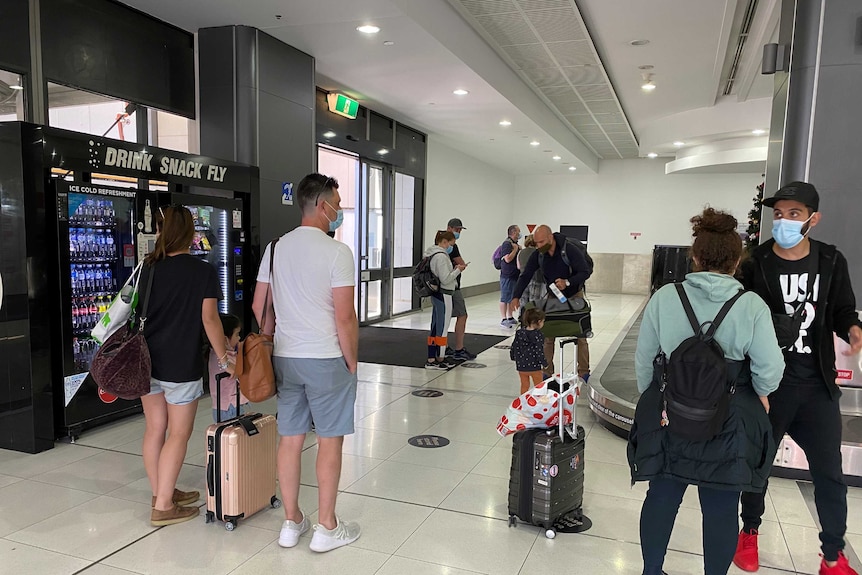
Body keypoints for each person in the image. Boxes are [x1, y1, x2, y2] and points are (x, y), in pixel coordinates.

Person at [629, 207, 784, 575]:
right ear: (736, 261)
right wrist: (760, 391)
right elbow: (771, 370)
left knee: (661, 498)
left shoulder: (667, 297)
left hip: (672, 418)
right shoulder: (750, 305)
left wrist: (661, 402)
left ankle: (652, 571)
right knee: (721, 507)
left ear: (695, 257)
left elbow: (644, 359)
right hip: (728, 424)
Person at [734, 182, 862, 575]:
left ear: (812, 219)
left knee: (829, 474)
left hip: (817, 385)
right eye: (779, 214)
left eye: (794, 214)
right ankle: (749, 533)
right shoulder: (757, 263)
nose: (785, 221)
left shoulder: (830, 260)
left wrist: (852, 328)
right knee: (759, 465)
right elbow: (741, 319)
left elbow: (843, 308)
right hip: (771, 386)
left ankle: (833, 555)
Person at [252, 173, 361, 553]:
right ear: (320, 205)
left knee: (291, 438)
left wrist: (276, 334)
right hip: (327, 357)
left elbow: (258, 306)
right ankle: (327, 527)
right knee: (330, 441)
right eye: (337, 202)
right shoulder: (337, 252)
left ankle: (291, 522)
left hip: (286, 357)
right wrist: (352, 362)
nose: (339, 210)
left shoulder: (276, 248)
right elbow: (344, 317)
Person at [140, 205, 232, 527]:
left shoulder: (147, 268)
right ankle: (163, 506)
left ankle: (161, 491)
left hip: (146, 362)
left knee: (155, 429)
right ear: (190, 233)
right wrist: (225, 358)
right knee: (179, 433)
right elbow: (210, 320)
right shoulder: (202, 272)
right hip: (180, 363)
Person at [510, 225, 591, 377]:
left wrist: (567, 282)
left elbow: (584, 272)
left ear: (550, 238)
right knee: (548, 334)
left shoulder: (569, 250)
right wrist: (516, 296)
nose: (539, 246)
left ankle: (584, 372)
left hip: (575, 294)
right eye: (537, 243)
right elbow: (526, 275)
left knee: (581, 334)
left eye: (541, 242)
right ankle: (546, 371)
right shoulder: (539, 254)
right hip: (553, 295)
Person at [424, 230, 466, 369]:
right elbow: (446, 278)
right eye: (451, 244)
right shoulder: (441, 257)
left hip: (437, 294)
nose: (452, 247)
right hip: (444, 294)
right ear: (444, 242)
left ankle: (432, 357)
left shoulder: (431, 253)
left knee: (435, 326)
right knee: (442, 328)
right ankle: (440, 358)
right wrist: (458, 270)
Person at [444, 218, 476, 360]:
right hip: (451, 286)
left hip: (443, 287)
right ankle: (459, 349)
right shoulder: (452, 246)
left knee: (443, 318)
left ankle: (442, 347)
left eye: (460, 230)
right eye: (457, 230)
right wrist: (460, 268)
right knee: (462, 315)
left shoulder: (439, 245)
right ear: (449, 228)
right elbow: (461, 264)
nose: (458, 233)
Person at [207, 313, 248, 423]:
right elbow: (240, 371)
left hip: (225, 406)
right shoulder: (224, 359)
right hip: (230, 407)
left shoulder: (215, 353)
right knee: (234, 438)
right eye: (237, 334)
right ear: (225, 339)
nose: (239, 338)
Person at [510, 308, 547, 394]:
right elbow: (539, 351)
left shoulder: (519, 333)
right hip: (535, 366)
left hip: (521, 365)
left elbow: (514, 346)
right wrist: (544, 363)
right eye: (543, 321)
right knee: (539, 385)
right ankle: (539, 402)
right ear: (539, 321)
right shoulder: (538, 335)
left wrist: (513, 356)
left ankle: (523, 401)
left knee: (524, 385)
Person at [516, 235, 545, 317]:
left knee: (523, 302)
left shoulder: (520, 252)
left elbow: (518, 266)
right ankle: (532, 321)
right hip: (536, 279)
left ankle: (522, 319)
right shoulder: (538, 253)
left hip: (522, 280)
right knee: (534, 303)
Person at [499, 224, 521, 328]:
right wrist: (515, 249)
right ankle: (503, 318)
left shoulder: (514, 243)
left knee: (511, 297)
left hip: (514, 275)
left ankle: (510, 316)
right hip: (507, 275)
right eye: (518, 232)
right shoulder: (507, 244)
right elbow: (507, 259)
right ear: (513, 232)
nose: (519, 234)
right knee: (505, 297)